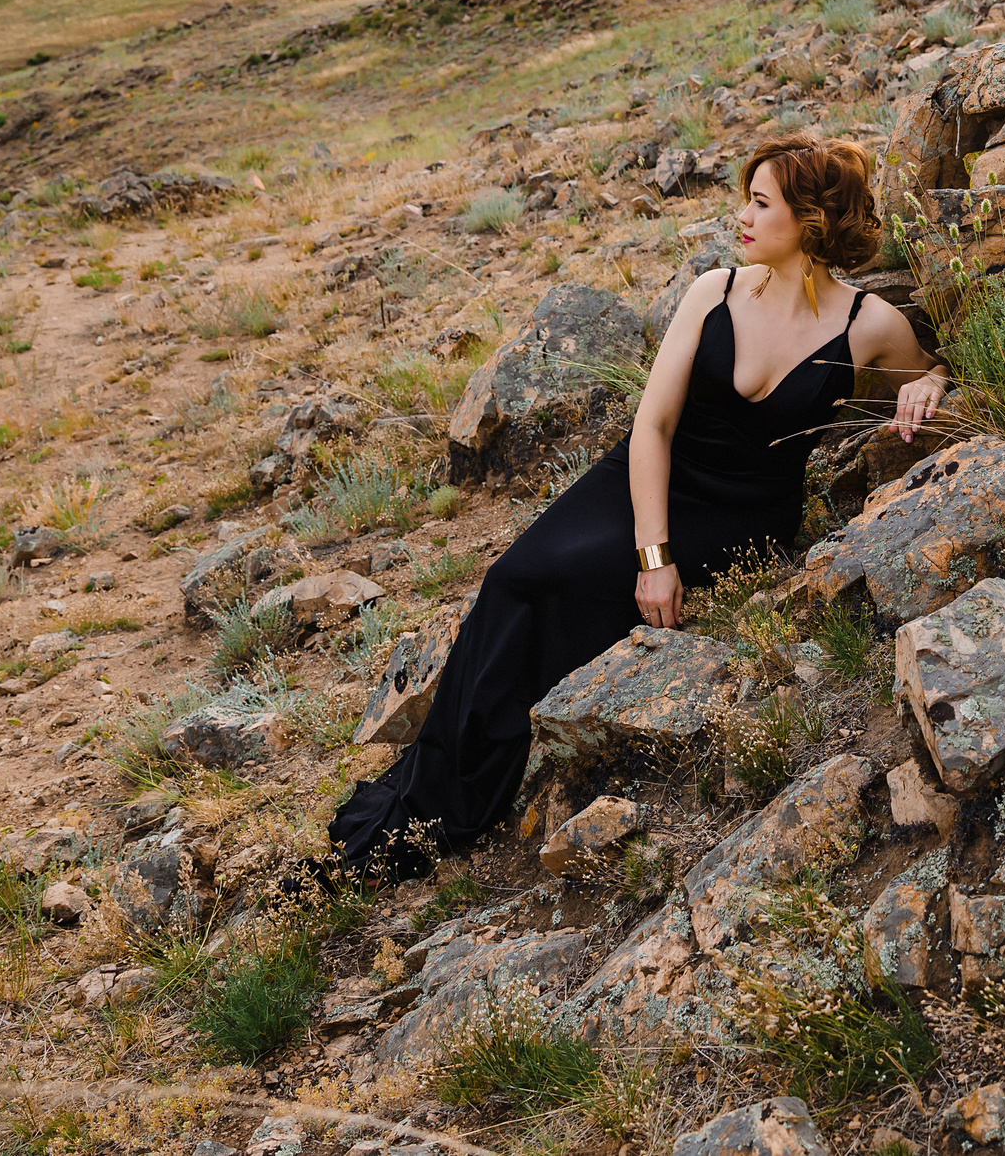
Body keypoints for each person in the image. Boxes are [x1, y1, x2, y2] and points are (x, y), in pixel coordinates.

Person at [325, 134, 951, 879]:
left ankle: (480, 779)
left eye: (760, 203)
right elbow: (651, 426)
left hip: (742, 515)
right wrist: (655, 559)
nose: (741, 217)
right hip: (648, 478)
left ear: (809, 221)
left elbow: (926, 381)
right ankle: (440, 788)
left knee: (573, 602)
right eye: (744, 199)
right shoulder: (713, 290)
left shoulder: (870, 324)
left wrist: (933, 381)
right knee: (514, 578)